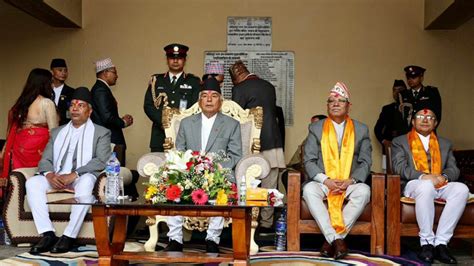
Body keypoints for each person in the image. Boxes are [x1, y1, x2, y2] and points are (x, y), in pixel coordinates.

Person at [26, 87, 111, 254]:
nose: (75, 108)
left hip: (80, 176)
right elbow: (45, 159)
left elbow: (101, 160)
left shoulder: (101, 132)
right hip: (57, 176)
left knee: (86, 182)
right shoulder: (58, 132)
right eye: (72, 105)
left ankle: (68, 236)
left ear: (90, 110)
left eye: (80, 105)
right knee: (33, 183)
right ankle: (48, 234)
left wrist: (74, 174)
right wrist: (49, 175)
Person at [165, 77, 242, 253]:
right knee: (174, 186)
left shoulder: (232, 124)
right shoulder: (186, 123)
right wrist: (192, 167)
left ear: (220, 102)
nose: (209, 99)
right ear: (199, 101)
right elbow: (180, 151)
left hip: (217, 172)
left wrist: (212, 167)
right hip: (190, 172)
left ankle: (212, 239)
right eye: (205, 96)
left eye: (214, 96)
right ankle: (175, 239)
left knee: (221, 188)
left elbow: (236, 155)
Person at [391, 102, 468, 264]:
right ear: (413, 121)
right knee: (426, 186)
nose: (425, 120)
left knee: (461, 189)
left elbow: (453, 168)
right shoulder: (400, 141)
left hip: (440, 183)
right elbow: (399, 168)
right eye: (420, 116)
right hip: (413, 184)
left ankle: (441, 243)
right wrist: (424, 176)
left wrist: (444, 177)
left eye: (429, 117)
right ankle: (426, 242)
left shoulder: (445, 144)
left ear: (436, 123)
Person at [302, 82, 372, 260]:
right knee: (309, 190)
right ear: (327, 105)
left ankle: (330, 241)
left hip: (349, 182)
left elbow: (365, 162)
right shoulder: (316, 128)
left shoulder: (361, 129)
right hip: (324, 181)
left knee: (364, 191)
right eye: (331, 101)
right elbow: (308, 160)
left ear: (349, 106)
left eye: (340, 101)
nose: (335, 104)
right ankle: (337, 240)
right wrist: (325, 180)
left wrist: (351, 180)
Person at [229, 60, 285, 233]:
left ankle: (244, 221)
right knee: (270, 184)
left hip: (250, 143)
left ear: (237, 77)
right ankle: (267, 223)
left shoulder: (239, 89)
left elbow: (235, 116)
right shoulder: (269, 86)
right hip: (273, 141)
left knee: (245, 182)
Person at [1, 69, 58, 198]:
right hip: (38, 151)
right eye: (51, 82)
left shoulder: (21, 104)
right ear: (45, 83)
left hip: (19, 149)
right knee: (36, 184)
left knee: (18, 182)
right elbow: (54, 133)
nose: (52, 86)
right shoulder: (46, 103)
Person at [144, 43, 201, 152]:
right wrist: (164, 122)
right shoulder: (156, 81)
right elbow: (148, 106)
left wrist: (179, 124)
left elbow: (196, 107)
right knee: (159, 167)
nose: (175, 61)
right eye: (172, 58)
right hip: (160, 135)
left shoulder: (193, 82)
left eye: (179, 58)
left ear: (185, 60)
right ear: (167, 60)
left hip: (185, 134)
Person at [91, 58, 133, 164]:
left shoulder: (102, 88)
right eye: (114, 73)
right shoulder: (100, 90)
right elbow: (107, 117)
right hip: (109, 141)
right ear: (105, 73)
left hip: (109, 139)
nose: (117, 76)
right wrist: (123, 122)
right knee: (113, 174)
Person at [281, 114, 327, 190]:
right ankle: (295, 201)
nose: (312, 127)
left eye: (315, 124)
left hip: (326, 174)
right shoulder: (308, 140)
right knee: (288, 175)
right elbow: (295, 163)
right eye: (311, 124)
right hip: (307, 171)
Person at [50, 58, 75, 126]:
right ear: (52, 72)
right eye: (60, 70)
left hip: (65, 127)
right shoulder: (46, 90)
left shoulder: (71, 92)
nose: (63, 73)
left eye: (65, 70)